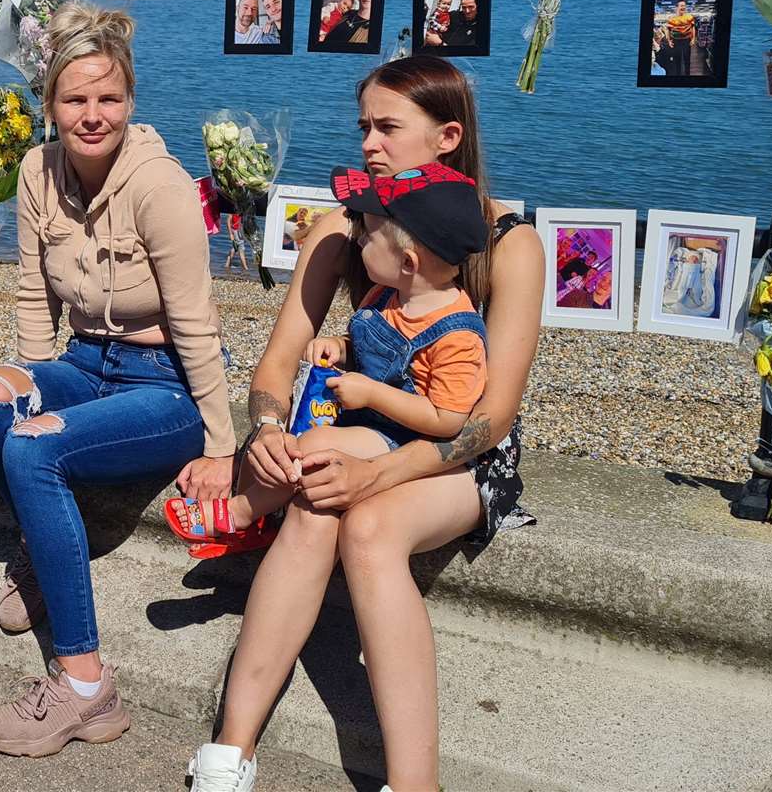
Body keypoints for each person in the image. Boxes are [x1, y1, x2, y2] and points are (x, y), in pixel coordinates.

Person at [186, 55, 541, 792]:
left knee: (370, 526)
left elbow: (488, 417)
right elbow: (276, 367)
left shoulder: (510, 243)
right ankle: (233, 747)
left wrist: (377, 473)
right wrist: (270, 431)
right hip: (358, 429)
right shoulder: (343, 228)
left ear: (447, 137)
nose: (368, 144)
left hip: (457, 454)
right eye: (364, 127)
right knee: (318, 497)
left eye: (387, 128)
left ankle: (416, 785)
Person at [0, 3, 235, 757]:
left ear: (130, 101)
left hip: (162, 385)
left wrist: (221, 445)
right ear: (49, 105)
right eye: (75, 99)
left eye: (107, 98)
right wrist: (35, 376)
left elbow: (196, 321)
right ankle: (47, 551)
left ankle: (85, 685)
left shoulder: (160, 186)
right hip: (83, 362)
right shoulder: (36, 170)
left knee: (33, 448)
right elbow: (31, 292)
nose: (92, 115)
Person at [168, 163, 489, 556]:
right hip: (368, 419)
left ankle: (241, 515)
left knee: (311, 446)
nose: (358, 242)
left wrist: (371, 394)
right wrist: (341, 347)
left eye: (369, 236)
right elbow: (372, 348)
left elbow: (448, 418)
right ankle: (264, 514)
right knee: (283, 439)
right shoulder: (388, 297)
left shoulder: (458, 335)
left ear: (408, 263)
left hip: (406, 438)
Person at [665, 0, 697, 77]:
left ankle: (687, 75)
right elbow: (667, 30)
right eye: (681, 5)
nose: (683, 7)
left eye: (684, 5)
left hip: (686, 40)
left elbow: (693, 28)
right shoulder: (671, 19)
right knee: (677, 59)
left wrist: (693, 39)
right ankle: (678, 75)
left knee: (687, 59)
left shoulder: (689, 17)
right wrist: (669, 41)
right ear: (677, 7)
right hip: (676, 41)